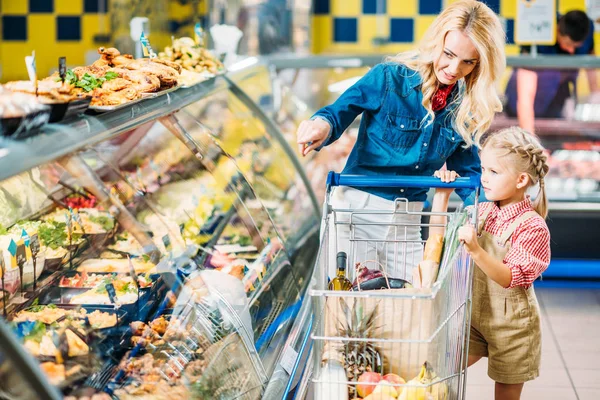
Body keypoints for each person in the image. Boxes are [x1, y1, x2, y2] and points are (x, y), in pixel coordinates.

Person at [296, 0, 506, 279]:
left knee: (410, 310)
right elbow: (339, 112)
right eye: (448, 54)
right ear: (436, 41)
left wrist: (496, 214)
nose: (454, 69)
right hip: (357, 213)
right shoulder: (390, 78)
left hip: (408, 221)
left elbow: (469, 174)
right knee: (348, 309)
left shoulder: (464, 107)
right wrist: (320, 126)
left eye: (468, 62)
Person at [434, 127, 551, 400]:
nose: (484, 178)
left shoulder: (532, 226)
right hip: (474, 318)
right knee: (438, 371)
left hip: (513, 330)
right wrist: (441, 197)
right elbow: (439, 248)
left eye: (494, 172)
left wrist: (475, 249)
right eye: (483, 169)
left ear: (522, 179)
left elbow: (508, 277)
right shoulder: (483, 210)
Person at [505, 10, 597, 133]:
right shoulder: (538, 37)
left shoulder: (587, 29)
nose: (571, 51)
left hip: (555, 107)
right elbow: (524, 99)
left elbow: (591, 62)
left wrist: (595, 96)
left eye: (576, 46)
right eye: (568, 44)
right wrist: (531, 142)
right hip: (518, 110)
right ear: (558, 30)